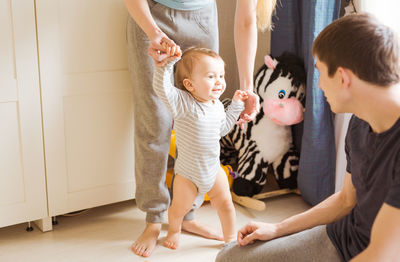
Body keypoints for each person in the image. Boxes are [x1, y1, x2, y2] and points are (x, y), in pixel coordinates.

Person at [216, 13, 400, 262]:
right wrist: (277, 228)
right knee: (230, 257)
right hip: (344, 239)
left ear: (343, 77)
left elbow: (381, 254)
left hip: (377, 254)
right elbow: (346, 199)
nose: (320, 85)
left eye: (322, 73)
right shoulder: (360, 119)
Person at [124, 0, 276, 257]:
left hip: (201, 18)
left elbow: (247, 19)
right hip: (152, 13)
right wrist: (153, 33)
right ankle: (154, 219)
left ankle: (186, 215)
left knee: (204, 108)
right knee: (154, 122)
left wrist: (247, 90)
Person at [153, 46, 248, 249]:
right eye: (211, 76)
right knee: (179, 208)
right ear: (190, 84)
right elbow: (162, 89)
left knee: (226, 205)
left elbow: (222, 129)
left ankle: (230, 238)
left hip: (213, 170)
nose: (219, 81)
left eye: (221, 75)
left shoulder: (216, 105)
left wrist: (237, 105)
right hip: (188, 174)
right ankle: (174, 230)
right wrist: (167, 64)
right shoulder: (183, 103)